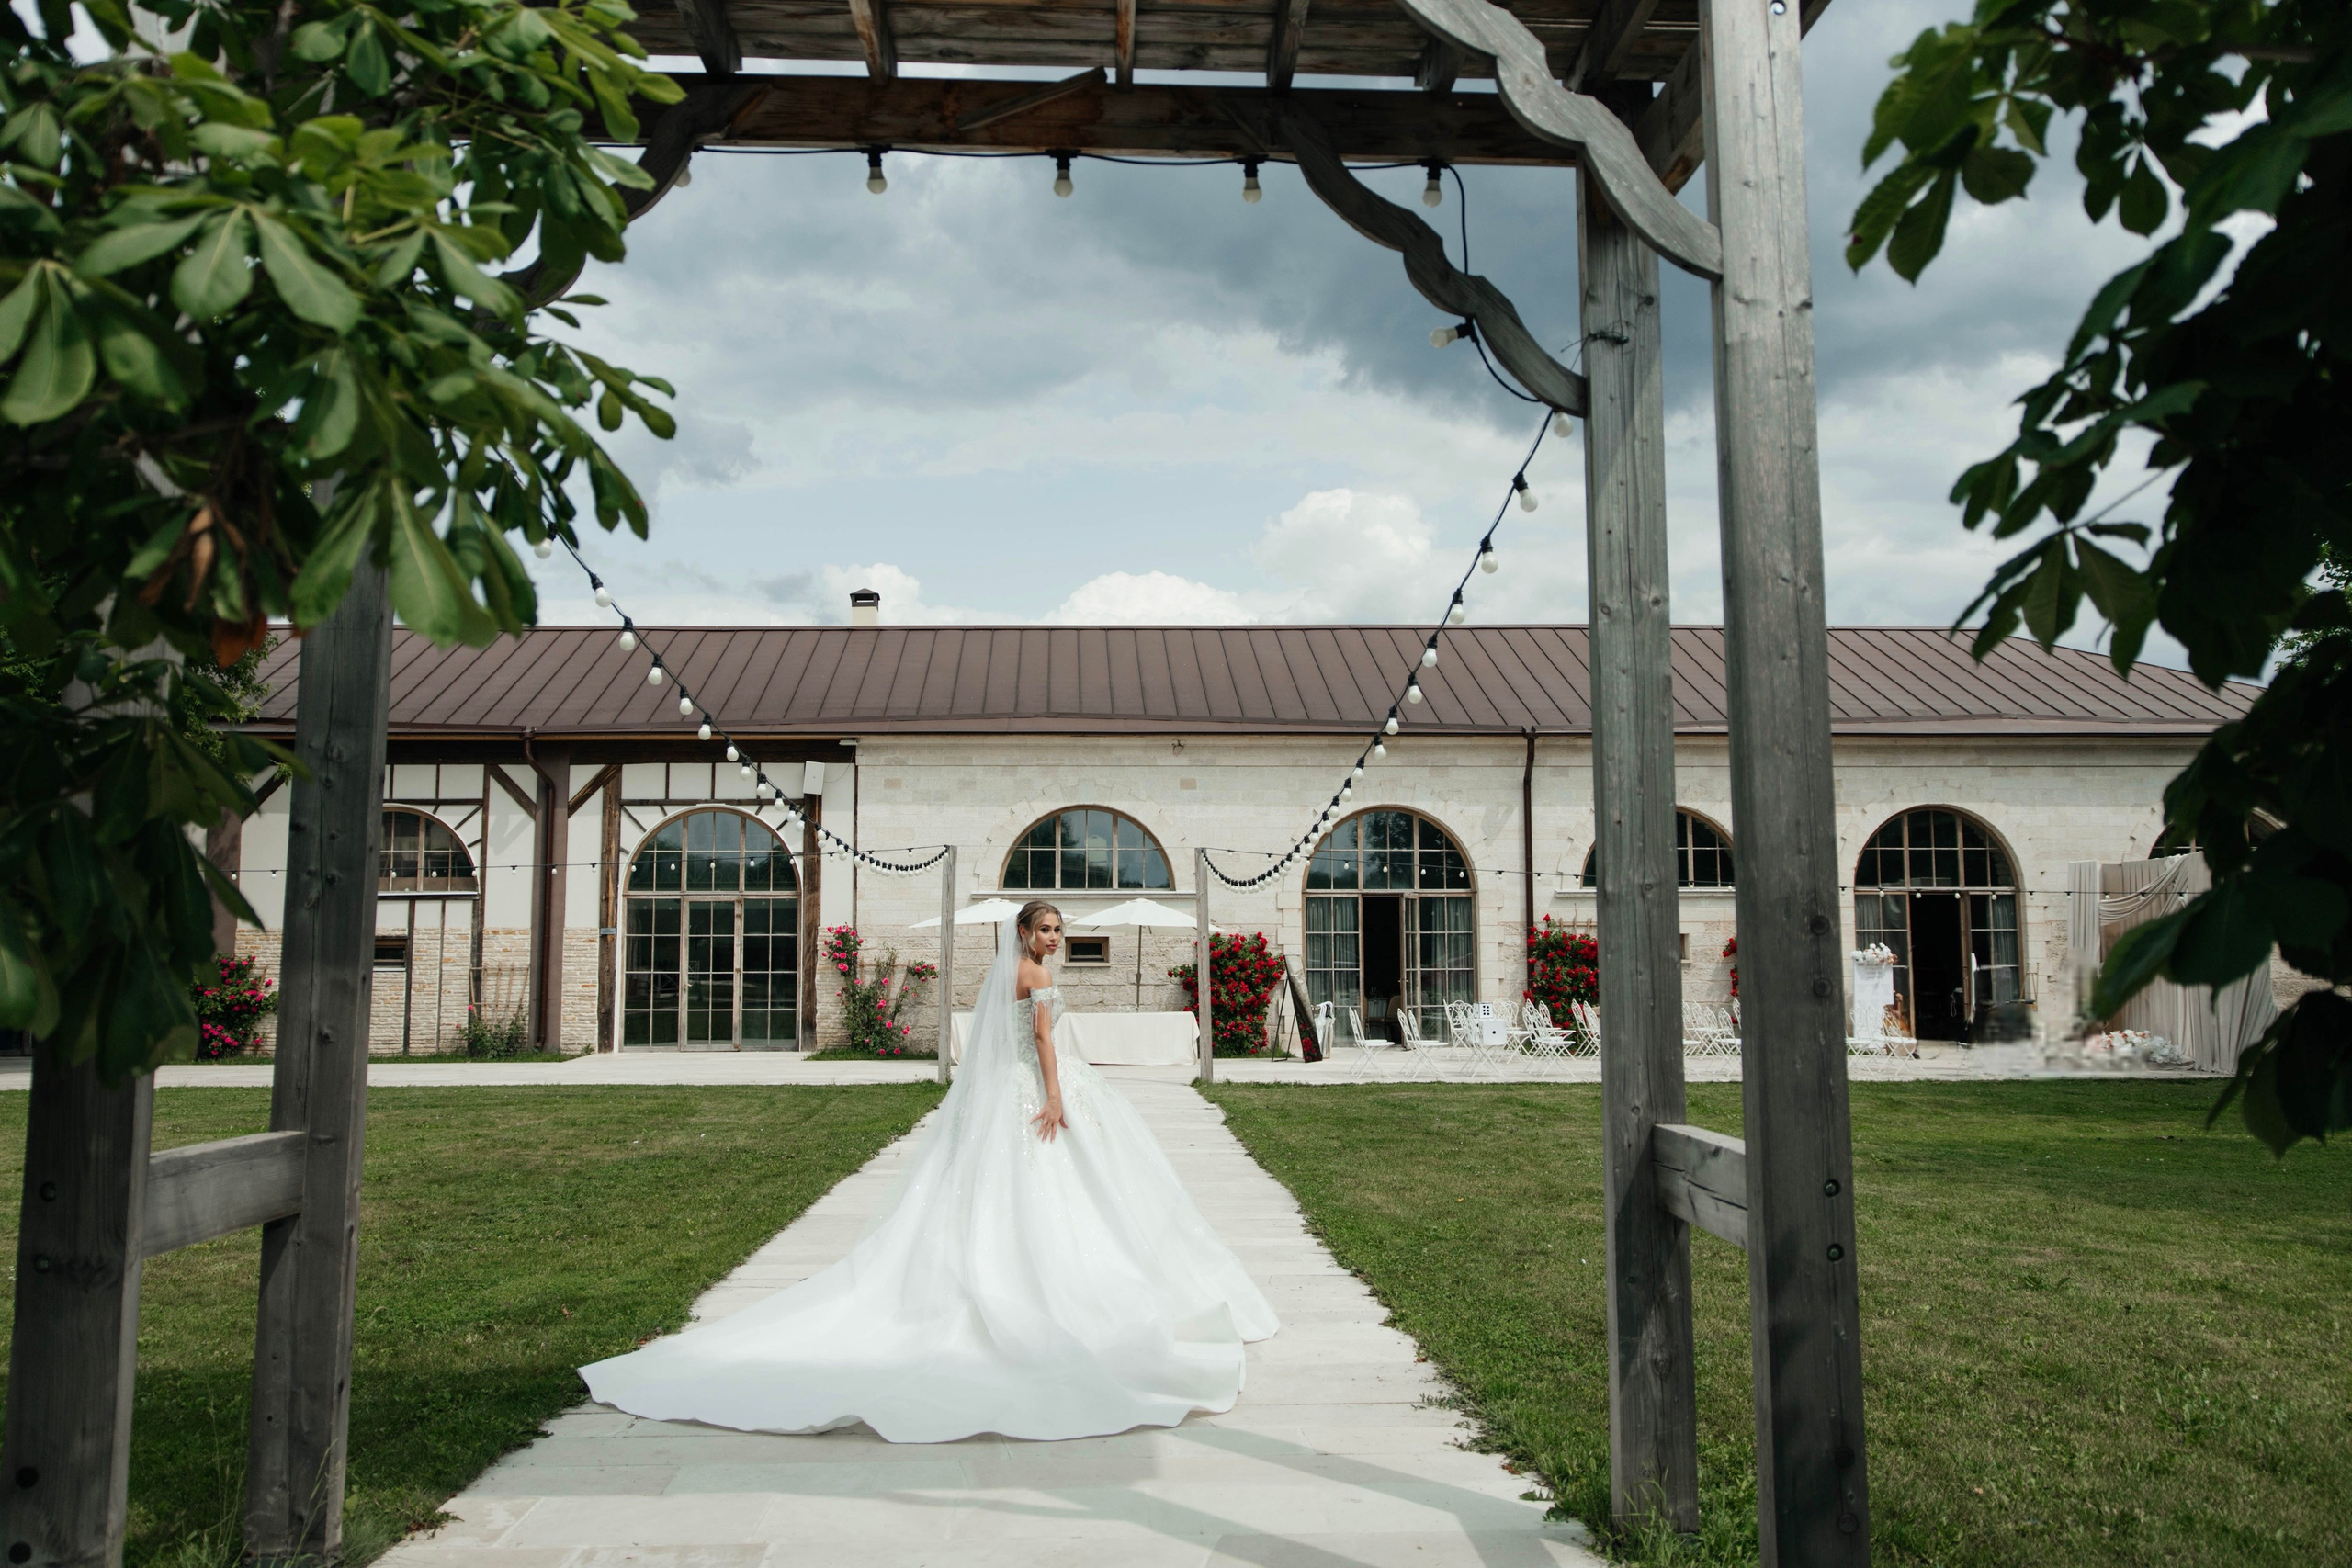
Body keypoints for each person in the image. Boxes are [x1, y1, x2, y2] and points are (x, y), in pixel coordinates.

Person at [581, 898, 1279, 1442]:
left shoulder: (1005, 970)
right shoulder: (1033, 974)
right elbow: (1041, 1040)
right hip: (1033, 1089)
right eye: (1045, 929)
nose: (1053, 940)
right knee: (1069, 1185)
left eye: (1059, 930)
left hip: (1000, 1090)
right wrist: (1058, 1097)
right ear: (1024, 933)